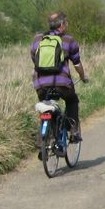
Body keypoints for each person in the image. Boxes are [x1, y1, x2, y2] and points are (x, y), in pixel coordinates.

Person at [31, 10, 88, 148]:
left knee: (46, 105)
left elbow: (34, 58)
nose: (67, 25)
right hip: (62, 83)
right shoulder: (68, 40)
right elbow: (76, 63)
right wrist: (83, 76)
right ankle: (74, 132)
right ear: (61, 24)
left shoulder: (37, 39)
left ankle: (45, 138)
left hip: (40, 84)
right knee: (72, 100)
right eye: (66, 23)